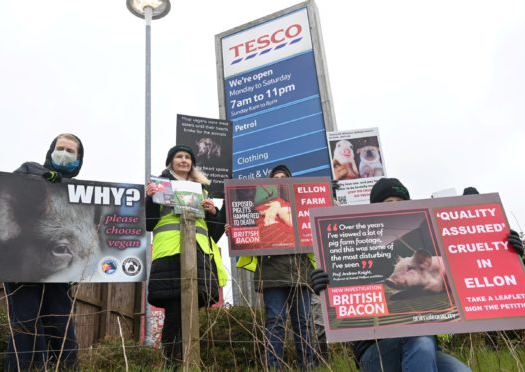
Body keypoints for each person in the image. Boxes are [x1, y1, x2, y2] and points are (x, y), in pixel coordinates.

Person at [312, 178, 472, 372]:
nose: (395, 207)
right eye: (387, 204)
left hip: (424, 348)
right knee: (420, 340)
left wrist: (504, 248)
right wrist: (322, 285)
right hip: (376, 350)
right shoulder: (355, 248)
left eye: (401, 202)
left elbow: (469, 270)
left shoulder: (433, 265)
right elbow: (340, 293)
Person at [4, 133, 83, 371]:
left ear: (79, 160)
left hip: (59, 271)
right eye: (60, 148)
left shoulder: (82, 194)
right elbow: (12, 184)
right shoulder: (30, 168)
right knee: (25, 325)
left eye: (71, 151)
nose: (64, 154)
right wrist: (44, 177)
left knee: (60, 325)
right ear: (51, 151)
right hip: (23, 267)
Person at [145, 144, 227, 366]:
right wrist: (150, 201)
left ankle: (187, 362)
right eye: (179, 157)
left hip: (199, 256)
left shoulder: (202, 190)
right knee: (174, 312)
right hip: (170, 254)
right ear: (170, 162)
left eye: (187, 158)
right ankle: (173, 363)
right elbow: (149, 224)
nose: (183, 160)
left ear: (192, 164)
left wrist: (214, 212)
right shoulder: (158, 186)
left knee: (190, 314)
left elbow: (214, 233)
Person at [233, 164, 316, 370]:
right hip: (271, 272)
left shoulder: (301, 207)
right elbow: (246, 233)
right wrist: (234, 230)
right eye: (276, 177)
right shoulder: (260, 208)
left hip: (301, 272)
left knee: (304, 324)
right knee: (275, 323)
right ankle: (273, 367)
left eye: (284, 176)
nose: (280, 179)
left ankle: (309, 366)